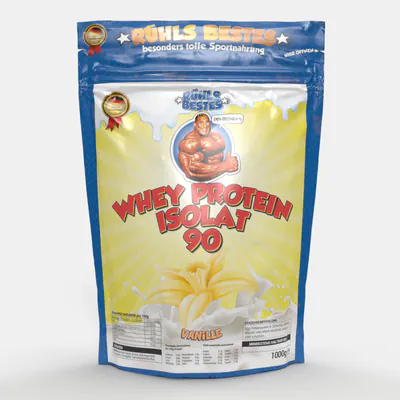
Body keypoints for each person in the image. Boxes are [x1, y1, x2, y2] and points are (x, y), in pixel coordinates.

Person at [178, 113, 239, 182]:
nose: (204, 125)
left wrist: (227, 166)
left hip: (221, 182)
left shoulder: (216, 137)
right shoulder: (189, 143)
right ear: (195, 124)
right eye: (201, 123)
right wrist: (225, 166)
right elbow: (190, 173)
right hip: (198, 186)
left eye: (206, 122)